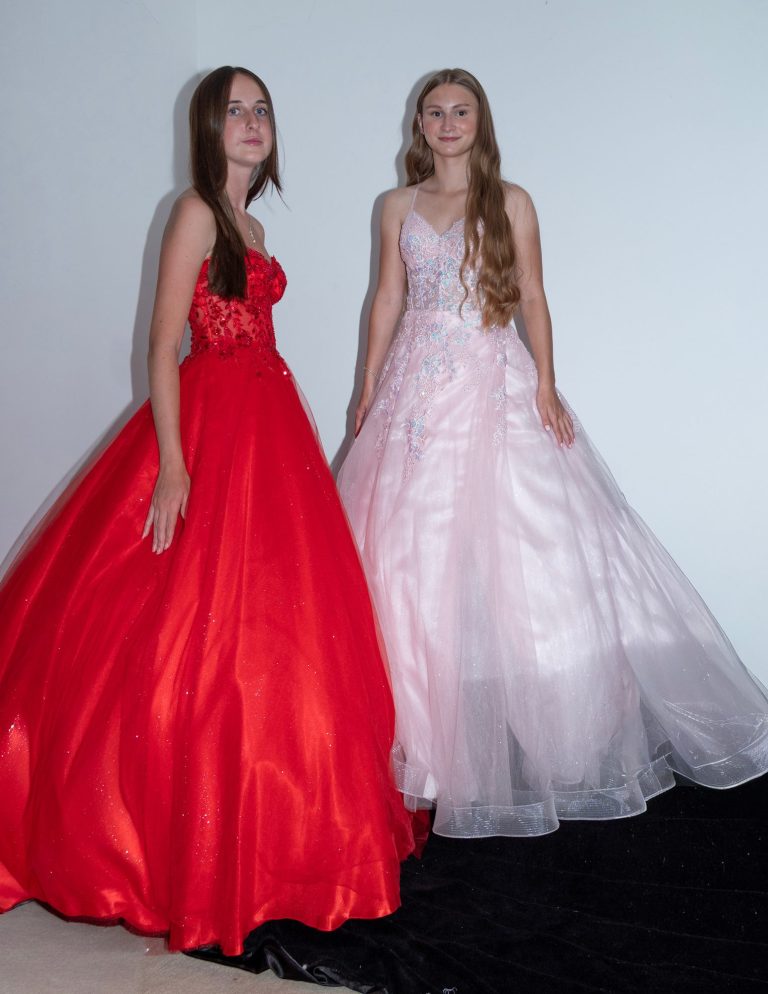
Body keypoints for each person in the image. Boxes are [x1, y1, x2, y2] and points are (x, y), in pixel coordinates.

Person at [0, 66, 415, 954]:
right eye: (236, 110)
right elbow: (160, 345)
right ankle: (165, 848)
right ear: (208, 127)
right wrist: (176, 466)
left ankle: (269, 844)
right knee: (176, 625)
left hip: (271, 425)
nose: (253, 122)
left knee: (271, 629)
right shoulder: (193, 211)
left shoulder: (251, 223)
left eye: (262, 110)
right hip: (210, 428)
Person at [338, 67, 768, 840]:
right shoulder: (395, 206)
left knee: (538, 556)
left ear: (480, 121)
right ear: (419, 125)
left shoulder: (511, 201)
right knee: (400, 559)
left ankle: (568, 737)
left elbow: (532, 294)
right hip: (414, 395)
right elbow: (388, 298)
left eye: (459, 110)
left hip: (493, 380)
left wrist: (547, 383)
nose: (446, 122)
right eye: (433, 112)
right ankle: (421, 750)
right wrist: (366, 387)